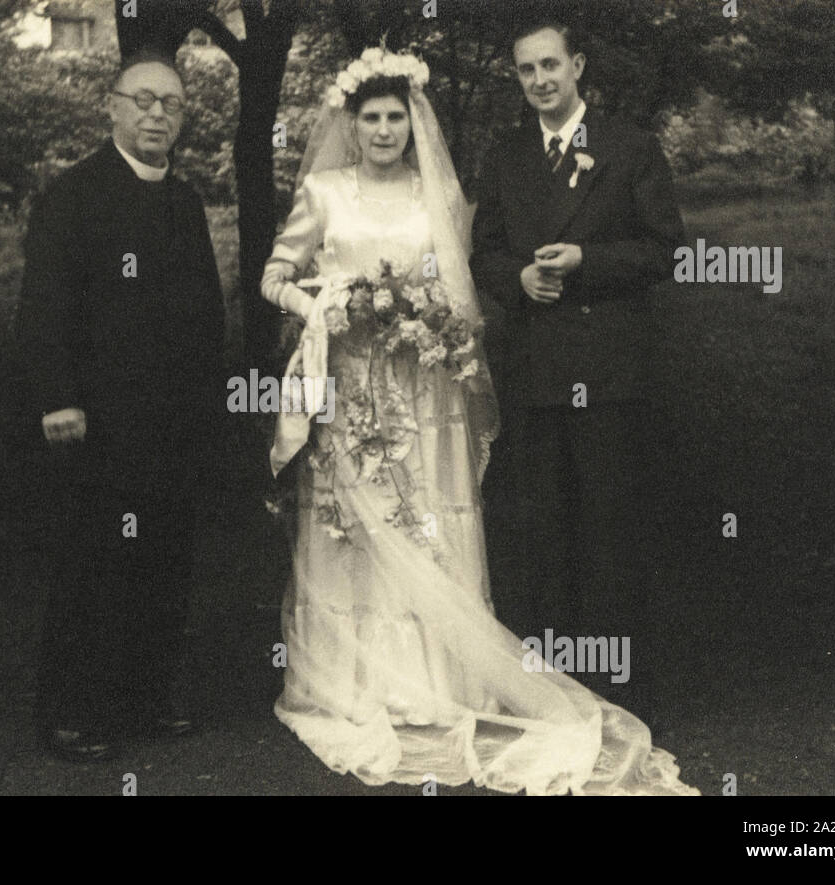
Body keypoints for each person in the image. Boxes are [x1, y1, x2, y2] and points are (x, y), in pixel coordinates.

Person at [262, 46, 696, 794]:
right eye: (373, 118)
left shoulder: (447, 191)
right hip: (355, 386)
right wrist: (323, 305)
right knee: (357, 536)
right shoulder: (326, 193)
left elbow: (464, 280)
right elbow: (278, 275)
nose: (387, 130)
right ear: (351, 124)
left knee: (439, 523)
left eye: (399, 116)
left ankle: (456, 675)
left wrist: (435, 321)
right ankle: (364, 681)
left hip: (429, 392)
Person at [470, 18, 685, 724]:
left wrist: (587, 262)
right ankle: (553, 691)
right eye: (526, 70)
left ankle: (622, 693)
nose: (540, 81)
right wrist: (520, 278)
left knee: (610, 527)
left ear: (578, 66)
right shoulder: (505, 155)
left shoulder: (631, 148)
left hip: (611, 371)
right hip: (535, 372)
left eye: (551, 66)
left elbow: (663, 251)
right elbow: (485, 253)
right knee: (541, 529)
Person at [16, 49, 226, 762]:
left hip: (170, 424)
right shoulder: (73, 195)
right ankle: (71, 711)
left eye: (170, 103)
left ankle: (144, 699)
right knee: (94, 564)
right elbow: (43, 306)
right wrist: (58, 398)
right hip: (97, 423)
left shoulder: (185, 200)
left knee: (164, 561)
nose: (156, 114)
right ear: (111, 106)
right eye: (142, 100)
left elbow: (203, 311)